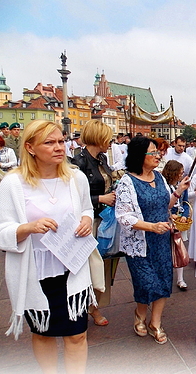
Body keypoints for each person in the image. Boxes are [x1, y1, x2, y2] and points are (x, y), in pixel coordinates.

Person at [0, 120, 95, 374]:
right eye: (49, 143)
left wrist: (86, 219)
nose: (59, 147)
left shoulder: (76, 178)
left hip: (71, 267)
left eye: (61, 141)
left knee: (78, 333)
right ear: (29, 147)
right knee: (43, 333)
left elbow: (86, 208)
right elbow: (0, 232)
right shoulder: (13, 184)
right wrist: (28, 227)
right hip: (35, 271)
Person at [115, 136, 190, 344]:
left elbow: (166, 204)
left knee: (164, 280)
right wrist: (151, 226)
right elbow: (123, 216)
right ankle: (140, 314)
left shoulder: (158, 177)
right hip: (140, 242)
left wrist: (179, 191)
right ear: (140, 156)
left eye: (158, 152)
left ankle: (155, 323)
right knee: (146, 283)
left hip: (161, 239)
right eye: (153, 152)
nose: (158, 155)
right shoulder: (127, 182)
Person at [72, 120, 118, 327]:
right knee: (88, 266)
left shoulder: (101, 158)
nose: (110, 141)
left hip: (104, 219)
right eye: (107, 137)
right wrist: (100, 198)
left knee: (102, 265)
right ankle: (87, 307)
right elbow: (73, 198)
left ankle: (93, 305)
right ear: (99, 138)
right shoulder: (78, 162)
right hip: (88, 220)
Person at [161, 160, 191, 290]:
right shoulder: (164, 186)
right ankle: (164, 277)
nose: (181, 175)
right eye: (179, 173)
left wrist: (184, 215)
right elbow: (163, 204)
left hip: (179, 220)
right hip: (167, 221)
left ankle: (180, 279)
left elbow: (185, 202)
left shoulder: (182, 185)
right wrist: (170, 215)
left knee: (179, 248)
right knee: (166, 250)